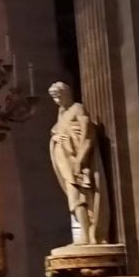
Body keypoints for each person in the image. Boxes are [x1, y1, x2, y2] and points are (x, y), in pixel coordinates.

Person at [48, 82, 108, 246]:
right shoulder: (62, 113)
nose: (57, 100)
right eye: (54, 97)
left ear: (66, 93)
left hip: (77, 161)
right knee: (74, 199)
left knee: (82, 196)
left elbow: (87, 135)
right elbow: (57, 131)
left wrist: (80, 160)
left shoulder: (77, 108)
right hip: (65, 161)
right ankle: (85, 233)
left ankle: (91, 234)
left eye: (59, 96)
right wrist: (55, 139)